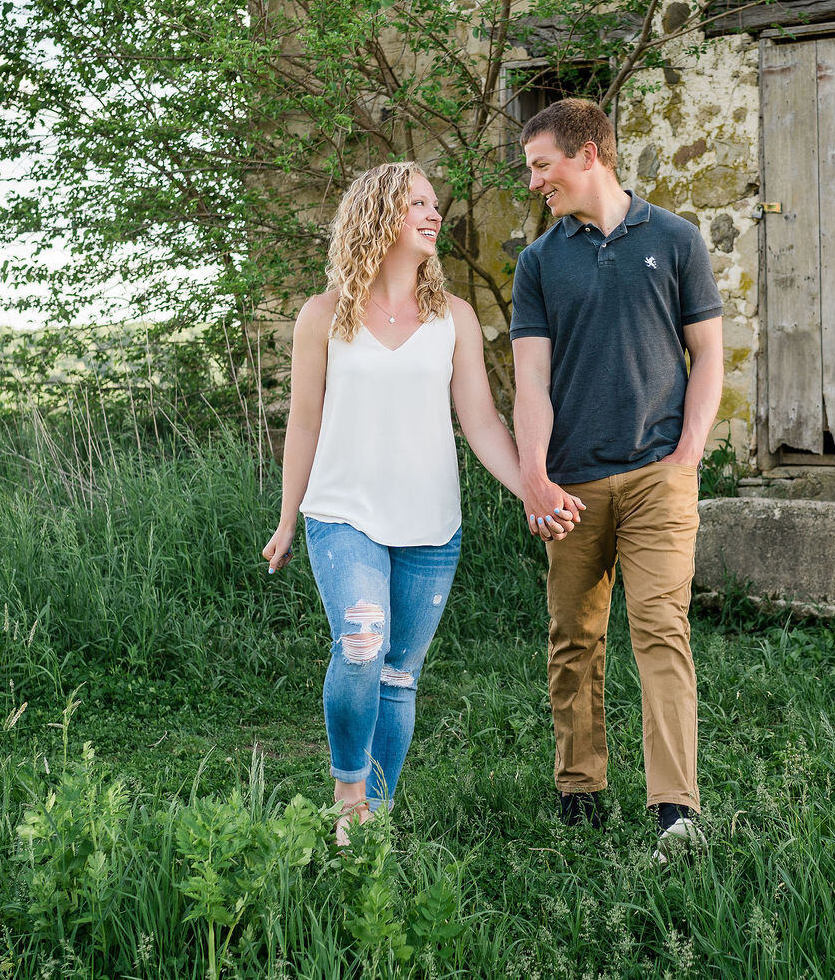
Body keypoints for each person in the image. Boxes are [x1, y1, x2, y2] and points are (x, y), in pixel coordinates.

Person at [265, 162, 557, 841]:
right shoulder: (324, 314)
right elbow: (302, 422)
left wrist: (532, 491)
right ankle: (347, 799)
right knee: (362, 643)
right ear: (378, 216)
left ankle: (375, 818)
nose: (432, 214)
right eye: (415, 203)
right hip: (342, 513)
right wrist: (286, 519)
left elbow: (481, 422)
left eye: (433, 203)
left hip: (431, 522)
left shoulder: (452, 317)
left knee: (397, 675)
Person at [511, 98, 724, 858]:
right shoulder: (538, 263)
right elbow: (530, 380)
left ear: (589, 153)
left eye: (543, 165)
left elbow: (709, 356)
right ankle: (580, 792)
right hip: (570, 485)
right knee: (574, 637)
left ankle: (676, 811)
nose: (536, 180)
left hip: (657, 477)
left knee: (662, 631)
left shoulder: (674, 240)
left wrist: (688, 452)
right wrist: (533, 474)